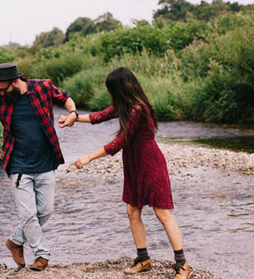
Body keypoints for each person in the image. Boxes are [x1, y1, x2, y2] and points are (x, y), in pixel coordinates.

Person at [68, 67, 191, 279]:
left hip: (150, 162)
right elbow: (101, 115)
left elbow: (120, 142)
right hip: (134, 163)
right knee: (132, 211)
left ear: (120, 89)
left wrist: (89, 157)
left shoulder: (137, 109)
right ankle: (143, 260)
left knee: (162, 213)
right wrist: (74, 117)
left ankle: (182, 264)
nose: (111, 95)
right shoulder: (124, 105)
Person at [0, 63, 78, 271]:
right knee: (28, 214)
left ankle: (15, 241)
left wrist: (72, 113)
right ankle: (42, 255)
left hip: (46, 161)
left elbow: (65, 98)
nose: (0, 93)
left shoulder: (42, 87)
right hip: (18, 164)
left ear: (16, 82)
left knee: (45, 211)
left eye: (3, 88)